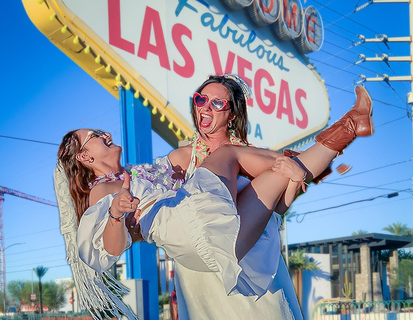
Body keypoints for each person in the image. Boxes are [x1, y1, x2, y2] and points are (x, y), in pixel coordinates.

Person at [55, 76, 373, 319]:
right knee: (280, 164)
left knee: (277, 169)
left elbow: (275, 209)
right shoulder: (179, 158)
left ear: (231, 114)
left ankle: (350, 126)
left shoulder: (243, 156)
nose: (205, 107)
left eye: (216, 103)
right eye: (200, 99)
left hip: (248, 254)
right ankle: (321, 148)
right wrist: (123, 218)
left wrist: (289, 182)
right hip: (202, 268)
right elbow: (131, 221)